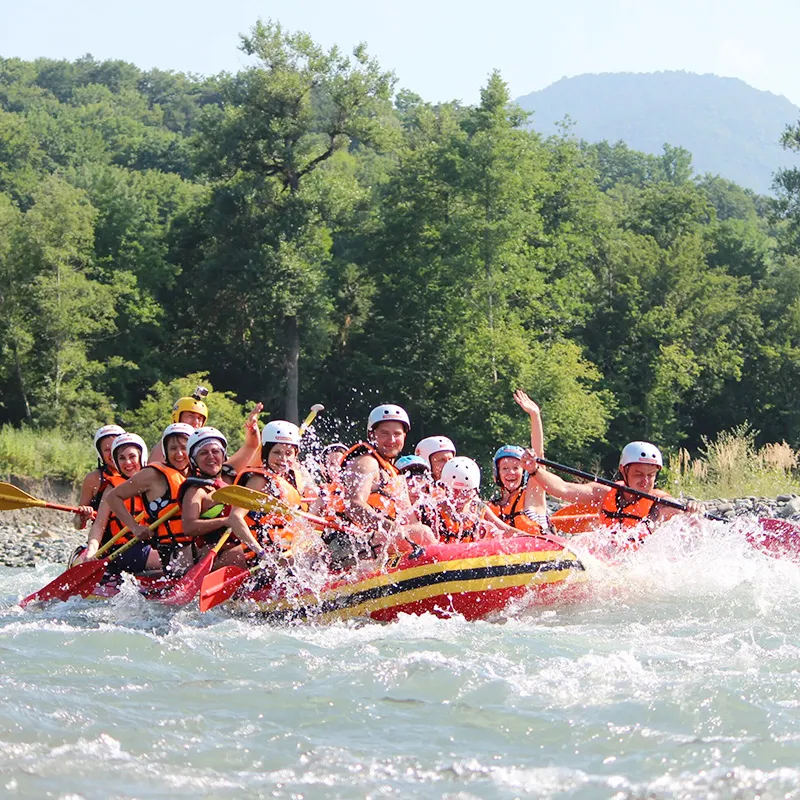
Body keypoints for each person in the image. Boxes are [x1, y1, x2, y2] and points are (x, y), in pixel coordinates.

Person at [521, 441, 702, 547]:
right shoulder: (604, 493)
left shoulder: (660, 502)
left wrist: (693, 511)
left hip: (636, 566)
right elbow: (563, 489)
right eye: (638, 474)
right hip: (607, 555)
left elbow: (684, 515)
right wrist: (534, 470)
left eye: (650, 475)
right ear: (623, 471)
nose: (645, 481)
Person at [336, 404, 436, 566]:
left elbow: (412, 521)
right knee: (422, 534)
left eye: (397, 434)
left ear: (404, 436)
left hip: (375, 539)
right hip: (348, 542)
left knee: (421, 530)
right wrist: (391, 528)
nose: (391, 440)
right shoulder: (367, 462)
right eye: (384, 433)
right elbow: (353, 505)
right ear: (372, 434)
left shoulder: (396, 475)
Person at [104, 422, 195, 575]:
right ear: (165, 451)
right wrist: (135, 527)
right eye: (173, 448)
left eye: (184, 448)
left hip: (195, 546)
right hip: (172, 550)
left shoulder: (198, 474)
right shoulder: (153, 474)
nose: (179, 454)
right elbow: (112, 497)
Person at [227, 420, 318, 563]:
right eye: (277, 452)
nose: (283, 459)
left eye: (289, 453)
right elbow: (235, 517)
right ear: (266, 453)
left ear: (295, 455)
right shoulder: (259, 481)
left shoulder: (293, 479)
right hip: (262, 558)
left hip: (288, 551)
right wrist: (262, 554)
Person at [71, 433, 149, 570]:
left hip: (151, 545)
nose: (128, 462)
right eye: (122, 458)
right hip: (123, 549)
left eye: (132, 457)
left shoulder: (154, 482)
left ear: (141, 457)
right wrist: (91, 551)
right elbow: (98, 525)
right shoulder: (110, 486)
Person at [486, 390, 550, 535]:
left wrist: (535, 415)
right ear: (498, 473)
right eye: (505, 468)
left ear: (525, 472)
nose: (511, 473)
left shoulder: (533, 496)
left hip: (540, 555)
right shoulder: (490, 508)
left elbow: (539, 456)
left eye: (516, 468)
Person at [436, 457, 520, 543]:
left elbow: (506, 530)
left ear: (474, 491)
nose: (459, 496)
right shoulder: (435, 511)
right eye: (454, 490)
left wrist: (533, 539)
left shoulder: (479, 508)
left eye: (465, 491)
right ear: (445, 488)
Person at [72, 424, 126, 530]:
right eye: (107, 450)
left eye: (116, 447)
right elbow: (77, 524)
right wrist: (83, 516)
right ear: (100, 454)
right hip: (106, 541)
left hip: (138, 538)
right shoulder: (94, 479)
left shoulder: (140, 474)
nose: (112, 453)